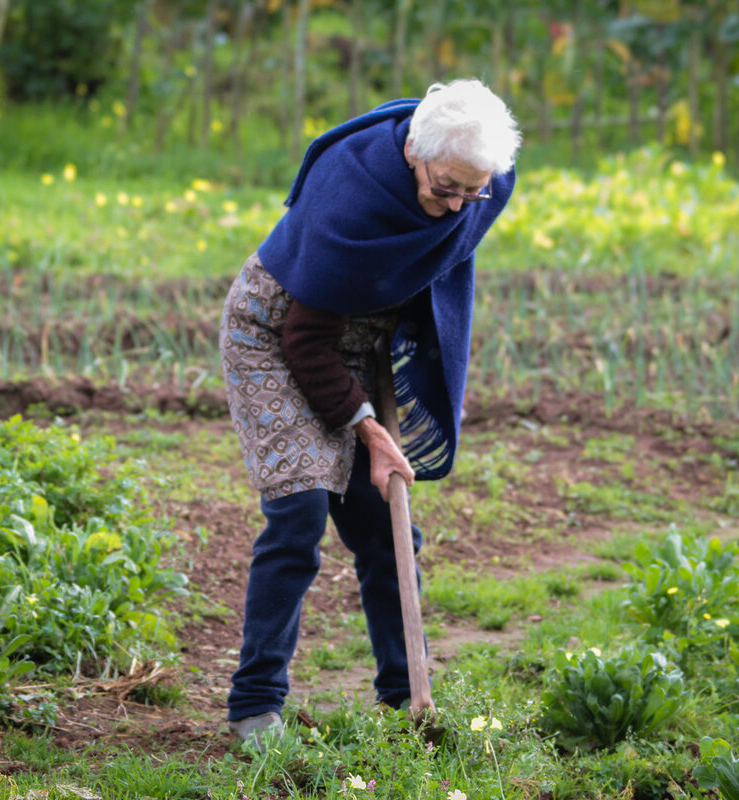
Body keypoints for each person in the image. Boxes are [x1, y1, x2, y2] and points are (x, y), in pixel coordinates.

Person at [218, 78, 520, 744]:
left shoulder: (480, 176)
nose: (458, 208)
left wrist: (380, 387)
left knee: (385, 524)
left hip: (361, 341)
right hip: (276, 337)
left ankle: (402, 701)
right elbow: (305, 339)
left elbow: (441, 249)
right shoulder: (349, 205)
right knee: (299, 509)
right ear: (413, 150)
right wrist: (369, 430)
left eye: (474, 193)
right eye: (446, 188)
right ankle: (254, 705)